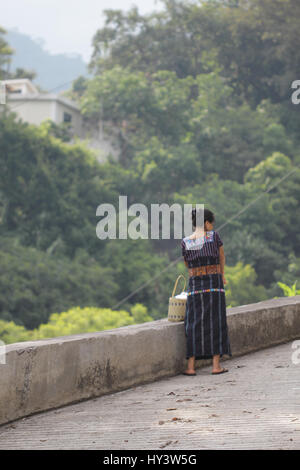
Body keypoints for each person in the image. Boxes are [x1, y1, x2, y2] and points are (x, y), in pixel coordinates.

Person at [181, 208, 232, 375]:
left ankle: (190, 367)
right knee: (215, 322)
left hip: (195, 287)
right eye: (211, 223)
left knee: (193, 324)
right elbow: (221, 256)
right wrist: (222, 274)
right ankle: (216, 366)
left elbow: (187, 264)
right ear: (206, 223)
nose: (212, 226)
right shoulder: (214, 236)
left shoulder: (186, 242)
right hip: (214, 285)